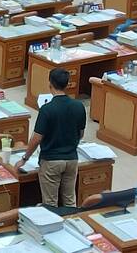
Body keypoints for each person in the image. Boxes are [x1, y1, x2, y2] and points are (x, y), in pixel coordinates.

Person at [15, 68, 86, 207]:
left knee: (50, 203)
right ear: (67, 84)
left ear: (50, 84)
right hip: (72, 159)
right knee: (70, 200)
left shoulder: (47, 109)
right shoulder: (79, 106)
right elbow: (81, 134)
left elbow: (36, 139)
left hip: (51, 161)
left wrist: (24, 159)